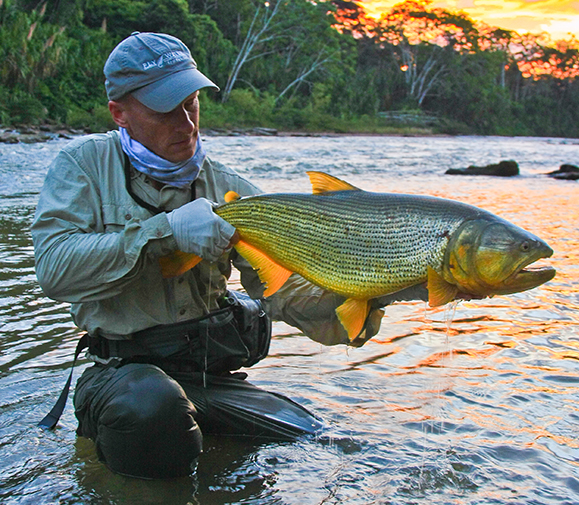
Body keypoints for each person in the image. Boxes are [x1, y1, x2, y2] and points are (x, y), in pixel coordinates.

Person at [33, 32, 423, 480]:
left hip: (207, 378)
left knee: (319, 438)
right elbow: (54, 269)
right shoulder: (82, 166)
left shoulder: (229, 188)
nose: (187, 123)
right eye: (166, 109)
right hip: (121, 377)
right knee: (153, 408)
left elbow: (284, 292)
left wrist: (380, 291)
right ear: (120, 113)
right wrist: (165, 233)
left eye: (192, 103)